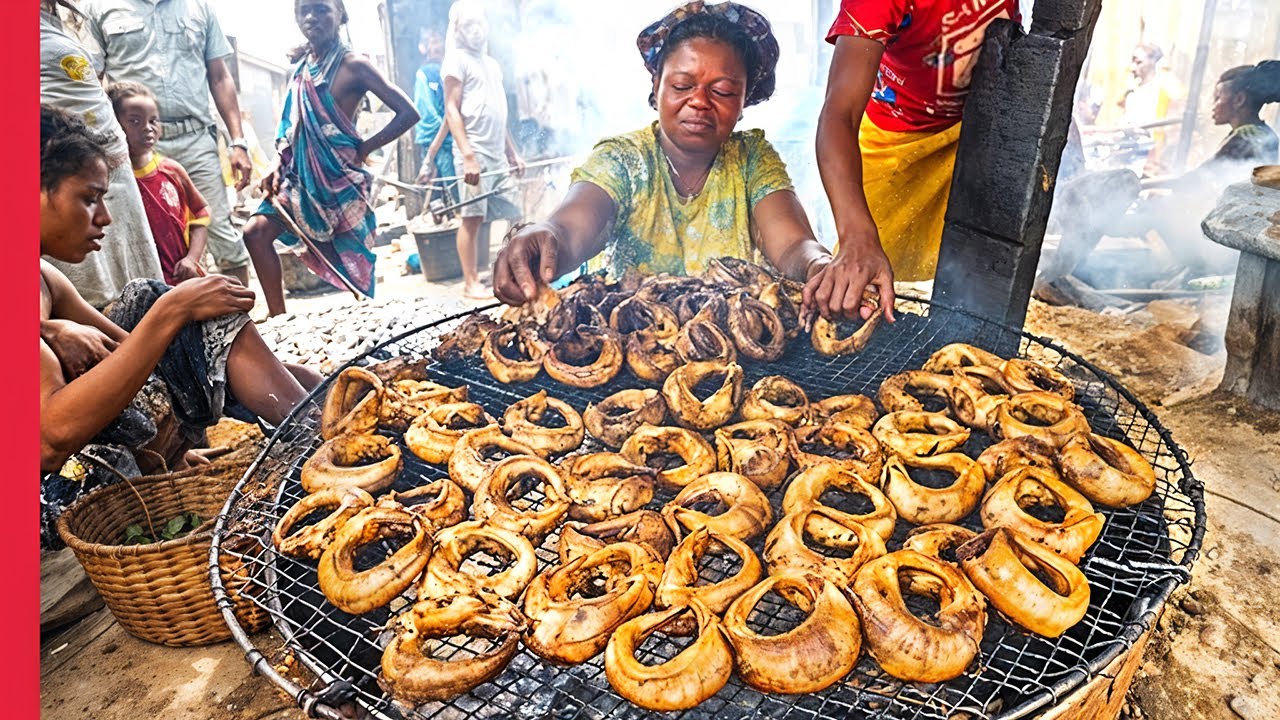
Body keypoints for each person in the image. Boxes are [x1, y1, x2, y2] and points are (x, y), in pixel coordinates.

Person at [38, 105, 322, 550]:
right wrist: (172, 312)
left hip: (99, 454)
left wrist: (191, 332)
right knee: (166, 306)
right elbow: (49, 439)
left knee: (151, 299)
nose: (105, 218)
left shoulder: (43, 277)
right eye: (88, 198)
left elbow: (136, 353)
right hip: (49, 500)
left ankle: (315, 428)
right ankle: (320, 440)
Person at [493, 1, 882, 322]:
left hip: (736, 348)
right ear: (656, 87)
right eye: (682, 86)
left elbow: (793, 244)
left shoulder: (751, 160)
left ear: (744, 102)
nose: (699, 101)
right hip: (631, 341)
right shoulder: (624, 159)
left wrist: (820, 267)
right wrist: (544, 237)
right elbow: (573, 226)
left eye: (724, 91)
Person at [816, 0, 1017, 288]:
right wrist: (857, 237)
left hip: (977, 135)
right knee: (869, 283)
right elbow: (839, 115)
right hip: (894, 147)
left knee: (974, 287)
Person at [240, 0, 419, 317]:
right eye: (304, 10)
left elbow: (408, 113)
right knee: (255, 232)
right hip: (298, 180)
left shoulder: (354, 66)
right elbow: (290, 129)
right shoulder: (300, 70)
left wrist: (365, 147)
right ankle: (279, 317)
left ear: (340, 15)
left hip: (340, 182)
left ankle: (370, 323)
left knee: (355, 264)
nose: (311, 17)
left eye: (321, 9)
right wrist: (274, 165)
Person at [82, 0, 256, 286]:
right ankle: (158, 321)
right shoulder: (100, 8)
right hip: (129, 149)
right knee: (142, 236)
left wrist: (238, 142)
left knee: (221, 232)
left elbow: (220, 76)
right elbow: (91, 79)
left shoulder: (199, 7)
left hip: (195, 138)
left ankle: (239, 321)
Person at [40, 0, 164, 309]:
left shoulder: (60, 19)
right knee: (87, 301)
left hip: (109, 171)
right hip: (64, 171)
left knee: (137, 293)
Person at [441, 0, 526, 301]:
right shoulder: (456, 60)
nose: (475, 31)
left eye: (479, 24)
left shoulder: (492, 64)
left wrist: (513, 153)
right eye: (468, 26)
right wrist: (467, 156)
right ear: (459, 31)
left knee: (516, 213)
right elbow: (451, 109)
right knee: (473, 218)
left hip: (497, 154)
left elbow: (498, 114)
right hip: (473, 151)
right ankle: (470, 281)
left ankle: (510, 269)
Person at [108, 81, 211, 286]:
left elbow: (201, 214)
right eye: (135, 121)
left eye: (153, 120)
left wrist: (192, 259)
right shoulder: (110, 180)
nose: (147, 128)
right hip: (136, 286)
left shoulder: (172, 171)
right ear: (113, 123)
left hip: (180, 280)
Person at [1119, 43, 1184, 177]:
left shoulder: (1166, 88)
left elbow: (1171, 128)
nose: (1132, 67)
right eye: (1133, 61)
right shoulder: (1133, 92)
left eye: (1138, 62)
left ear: (1154, 62)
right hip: (1129, 152)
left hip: (1152, 157)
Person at [413, 28, 455, 204]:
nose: (439, 45)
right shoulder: (424, 74)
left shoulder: (451, 69)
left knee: (456, 193)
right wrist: (444, 136)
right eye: (434, 41)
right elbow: (426, 111)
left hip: (453, 139)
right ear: (424, 48)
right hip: (441, 139)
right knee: (439, 192)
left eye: (441, 41)